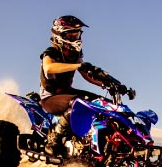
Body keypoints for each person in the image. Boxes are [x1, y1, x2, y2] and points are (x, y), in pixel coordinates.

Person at [39, 15, 133, 154]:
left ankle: (108, 142)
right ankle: (54, 139)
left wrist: (108, 83)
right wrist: (77, 66)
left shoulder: (75, 54)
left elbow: (87, 76)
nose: (75, 38)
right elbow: (49, 68)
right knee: (78, 103)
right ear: (59, 35)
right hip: (50, 97)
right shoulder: (51, 52)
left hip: (67, 92)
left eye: (76, 34)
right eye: (70, 35)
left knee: (101, 103)